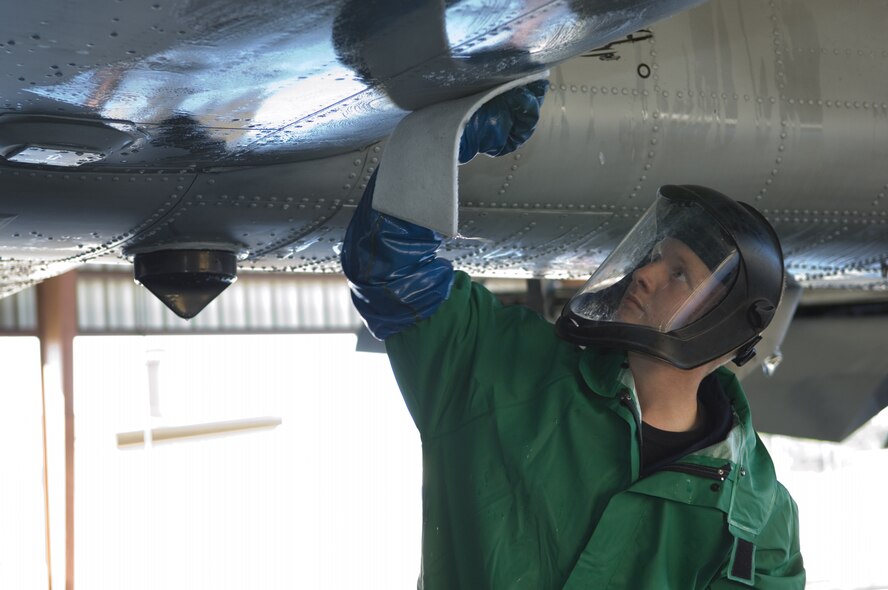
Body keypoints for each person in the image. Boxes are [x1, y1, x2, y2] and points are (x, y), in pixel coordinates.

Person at [340, 81, 804, 589]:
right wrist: (449, 135)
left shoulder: (759, 519)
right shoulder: (502, 368)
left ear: (723, 324)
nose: (645, 275)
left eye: (678, 274)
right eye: (654, 258)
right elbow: (390, 271)